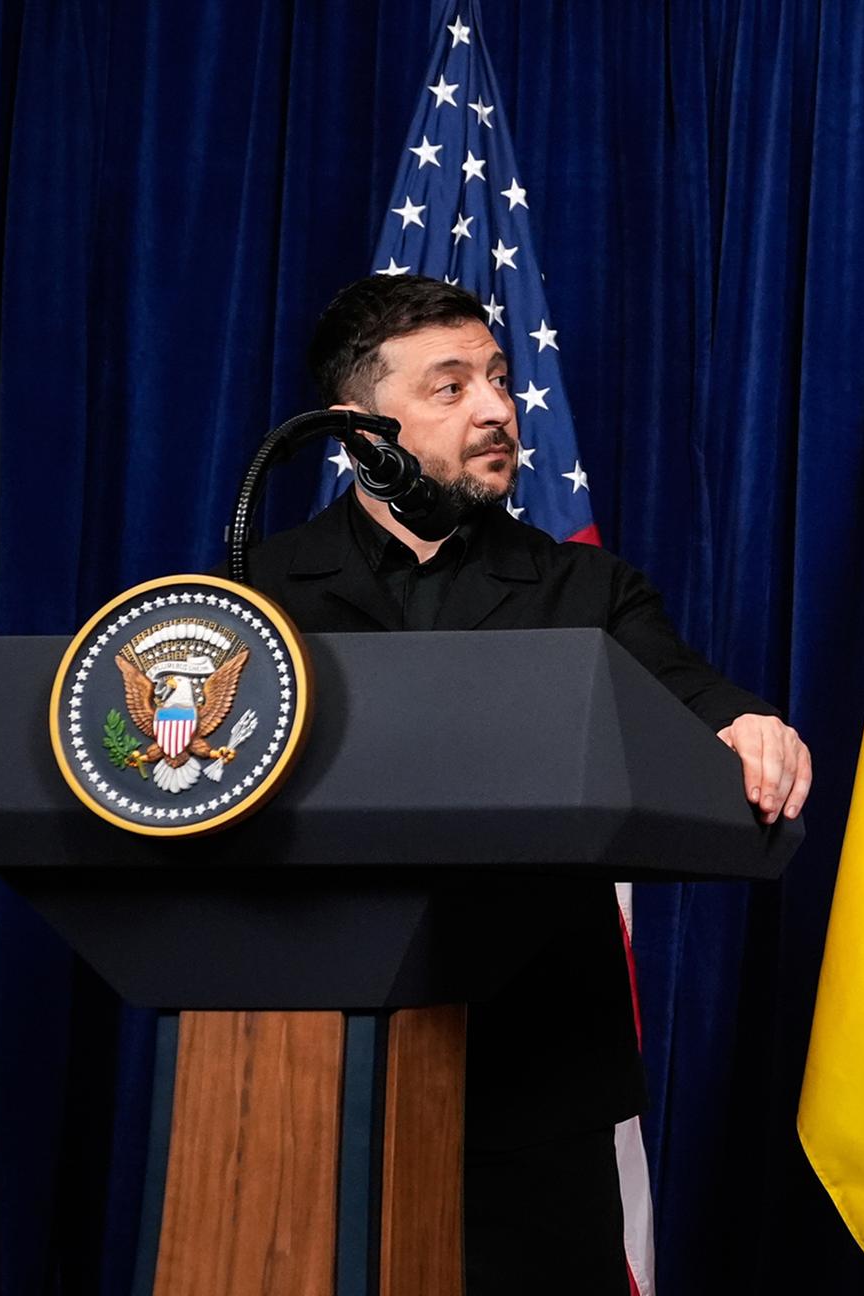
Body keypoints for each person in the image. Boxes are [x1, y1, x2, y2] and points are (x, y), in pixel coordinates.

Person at [241, 275, 812, 1294]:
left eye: (499, 380)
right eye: (451, 388)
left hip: (533, 1078)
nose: (500, 410)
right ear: (358, 428)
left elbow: (693, 699)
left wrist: (745, 726)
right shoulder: (258, 591)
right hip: (306, 1070)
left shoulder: (583, 589)